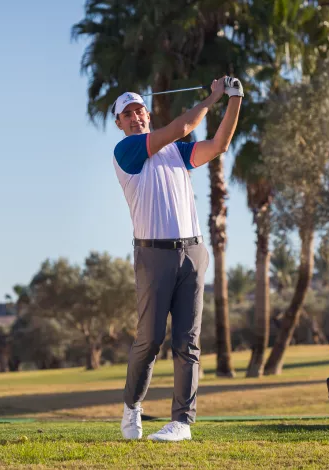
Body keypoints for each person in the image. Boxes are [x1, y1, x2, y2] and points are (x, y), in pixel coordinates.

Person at [113, 77, 243, 441]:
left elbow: (218, 145)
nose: (135, 116)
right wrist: (213, 95)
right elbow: (183, 126)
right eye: (127, 114)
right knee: (150, 339)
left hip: (193, 251)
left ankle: (182, 423)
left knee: (188, 342)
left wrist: (235, 98)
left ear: (147, 114)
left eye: (139, 110)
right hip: (153, 254)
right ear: (120, 124)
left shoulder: (177, 153)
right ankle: (132, 407)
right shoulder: (127, 151)